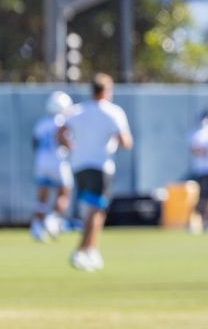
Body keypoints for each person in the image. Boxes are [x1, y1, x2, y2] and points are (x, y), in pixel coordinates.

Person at [58, 73, 133, 271]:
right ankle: (81, 249)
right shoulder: (112, 112)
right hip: (100, 166)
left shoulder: (77, 111)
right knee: (95, 208)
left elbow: (59, 133)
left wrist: (71, 146)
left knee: (96, 209)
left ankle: (91, 249)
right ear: (107, 91)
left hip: (78, 165)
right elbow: (126, 141)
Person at [31, 90, 74, 241]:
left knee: (41, 196)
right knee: (64, 193)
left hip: (41, 160)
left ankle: (37, 226)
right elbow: (65, 141)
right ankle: (53, 219)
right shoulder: (64, 122)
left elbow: (34, 143)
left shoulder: (41, 123)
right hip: (58, 160)